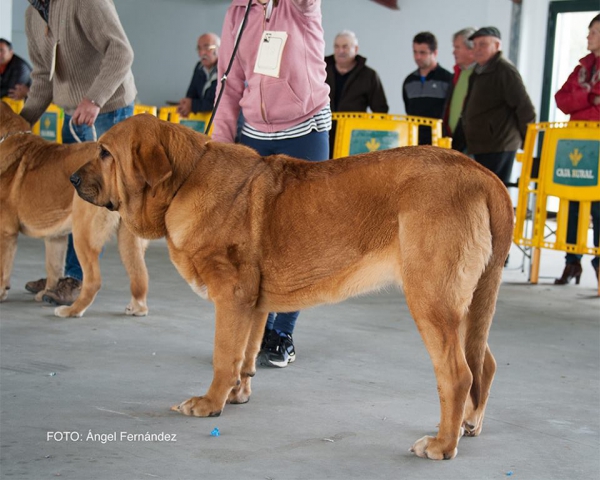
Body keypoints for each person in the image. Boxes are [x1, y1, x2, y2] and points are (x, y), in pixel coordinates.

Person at [212, 0, 331, 368]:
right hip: (255, 134)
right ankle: (253, 329)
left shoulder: (300, 7)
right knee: (249, 239)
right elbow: (228, 82)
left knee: (300, 237)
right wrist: (219, 143)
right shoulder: (237, 13)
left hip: (305, 129)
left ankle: (282, 332)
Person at [20, 0, 137, 306]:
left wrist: (95, 99)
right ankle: (57, 276)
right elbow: (43, 76)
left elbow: (122, 51)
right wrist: (21, 124)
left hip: (108, 111)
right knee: (66, 200)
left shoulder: (85, 1)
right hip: (73, 116)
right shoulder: (33, 13)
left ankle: (76, 277)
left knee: (90, 203)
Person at [553, 13, 600, 285]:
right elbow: (561, 99)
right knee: (571, 204)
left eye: (594, 31)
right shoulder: (582, 68)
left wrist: (580, 101)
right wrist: (591, 96)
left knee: (598, 208)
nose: (588, 36)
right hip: (579, 147)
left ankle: (598, 262)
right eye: (588, 31)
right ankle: (571, 262)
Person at [461, 26, 536, 186]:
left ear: (497, 46)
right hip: (481, 145)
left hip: (499, 144)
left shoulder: (505, 71)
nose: (477, 49)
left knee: (495, 193)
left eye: (483, 44)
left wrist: (528, 144)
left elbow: (525, 108)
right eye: (475, 45)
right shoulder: (478, 71)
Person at [325, 30, 388, 157]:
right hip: (323, 134)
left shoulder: (369, 75)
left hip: (354, 139)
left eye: (345, 46)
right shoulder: (321, 71)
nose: (340, 51)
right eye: (337, 46)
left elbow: (380, 111)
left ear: (356, 49)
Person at [402, 31, 452, 145]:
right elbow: (408, 110)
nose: (417, 57)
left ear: (435, 53)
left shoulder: (447, 79)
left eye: (423, 53)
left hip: (438, 141)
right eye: (415, 52)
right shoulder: (409, 81)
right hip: (414, 141)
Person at [443, 27, 476, 152]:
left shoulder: (479, 75)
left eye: (457, 47)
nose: (453, 52)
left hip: (469, 143)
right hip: (453, 140)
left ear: (470, 50)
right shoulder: (459, 73)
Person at [176, 33, 220, 117]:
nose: (202, 52)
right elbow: (191, 95)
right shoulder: (199, 67)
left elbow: (219, 102)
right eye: (199, 48)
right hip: (202, 121)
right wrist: (186, 104)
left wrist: (192, 105)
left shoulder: (227, 70)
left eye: (207, 48)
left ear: (219, 49)